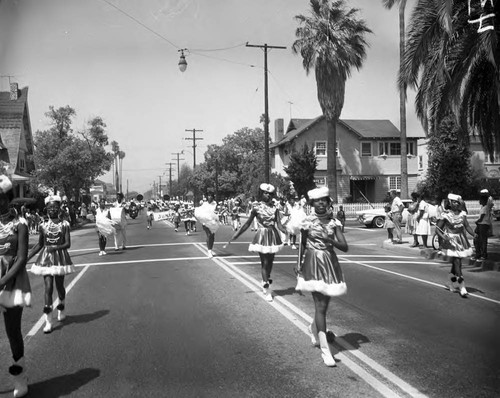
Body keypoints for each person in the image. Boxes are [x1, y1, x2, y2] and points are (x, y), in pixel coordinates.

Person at [295, 187, 348, 367]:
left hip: (330, 263)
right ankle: (326, 350)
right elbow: (302, 245)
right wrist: (298, 265)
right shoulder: (306, 222)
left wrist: (330, 240)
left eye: (324, 200)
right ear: (312, 203)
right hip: (312, 261)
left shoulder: (334, 222)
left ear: (328, 202)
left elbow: (344, 246)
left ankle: (313, 328)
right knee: (320, 306)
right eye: (317, 201)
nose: (321, 203)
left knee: (324, 307)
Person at [225, 183, 286, 301]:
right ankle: (267, 288)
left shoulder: (275, 208)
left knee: (271, 262)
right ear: (261, 194)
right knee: (264, 262)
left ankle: (265, 279)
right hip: (262, 235)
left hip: (273, 235)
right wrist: (237, 234)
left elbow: (279, 224)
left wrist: (289, 230)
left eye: (269, 193)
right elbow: (247, 223)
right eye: (265, 193)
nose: (267, 195)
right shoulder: (256, 207)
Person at [0, 174, 31, 397]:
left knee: (12, 332)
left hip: (12, 279)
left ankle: (20, 379)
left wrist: (1, 282)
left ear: (8, 198)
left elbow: (21, 259)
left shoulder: (20, 224)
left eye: (0, 198)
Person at [29, 195, 76, 333]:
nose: (52, 210)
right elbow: (40, 244)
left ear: (59, 208)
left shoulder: (65, 224)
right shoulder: (42, 225)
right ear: (46, 209)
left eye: (55, 207)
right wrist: (26, 257)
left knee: (60, 286)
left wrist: (55, 248)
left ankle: (61, 306)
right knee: (48, 287)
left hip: (60, 257)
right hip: (46, 258)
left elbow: (68, 244)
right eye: (50, 208)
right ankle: (48, 321)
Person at [435, 193, 476, 297]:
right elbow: (437, 229)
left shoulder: (462, 214)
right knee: (457, 262)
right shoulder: (446, 215)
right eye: (454, 202)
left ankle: (450, 281)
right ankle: (462, 286)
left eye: (457, 202)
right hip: (451, 241)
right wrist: (444, 237)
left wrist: (474, 234)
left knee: (456, 263)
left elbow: (467, 226)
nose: (456, 204)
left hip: (461, 240)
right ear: (450, 203)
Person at [195, 193, 220, 258]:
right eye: (208, 196)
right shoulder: (204, 204)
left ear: (212, 197)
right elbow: (200, 212)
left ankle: (210, 248)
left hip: (213, 222)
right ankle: (209, 251)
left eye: (211, 196)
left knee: (212, 236)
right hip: (205, 222)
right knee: (209, 235)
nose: (210, 197)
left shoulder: (215, 204)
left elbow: (217, 212)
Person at [474, 191, 492, 261]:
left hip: (483, 225)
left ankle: (484, 255)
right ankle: (478, 254)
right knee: (477, 239)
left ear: (484, 200)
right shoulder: (483, 207)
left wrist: (477, 221)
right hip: (481, 224)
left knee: (483, 240)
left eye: (480, 200)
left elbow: (481, 218)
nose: (479, 201)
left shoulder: (485, 208)